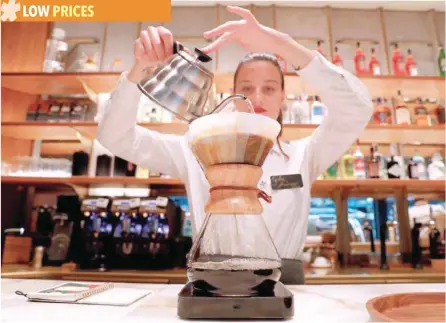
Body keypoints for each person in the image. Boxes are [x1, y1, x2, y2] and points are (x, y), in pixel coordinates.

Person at [97, 6, 373, 284]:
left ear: (283, 97)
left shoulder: (303, 155)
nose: (257, 97)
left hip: (284, 288)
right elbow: (115, 136)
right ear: (233, 96)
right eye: (247, 88)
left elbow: (356, 109)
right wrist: (140, 69)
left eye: (269, 88)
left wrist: (282, 45)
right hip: (211, 284)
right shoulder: (196, 151)